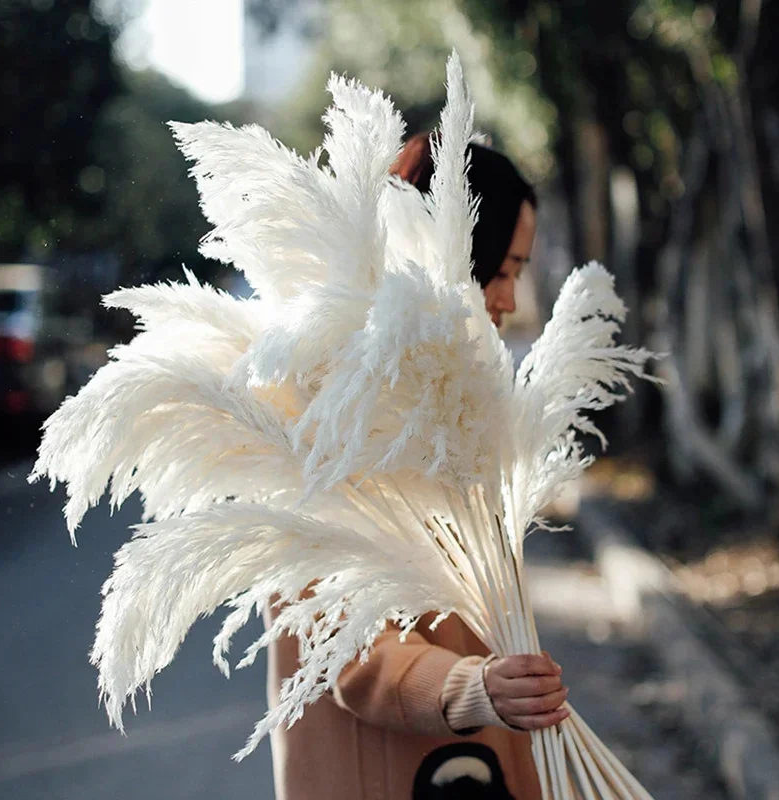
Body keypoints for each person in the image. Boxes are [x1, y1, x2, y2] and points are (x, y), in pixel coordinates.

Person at [265, 134, 567, 800]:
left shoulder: (444, 404)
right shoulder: (337, 412)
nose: (510, 298)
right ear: (458, 253)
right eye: (507, 267)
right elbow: (343, 650)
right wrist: (475, 687)